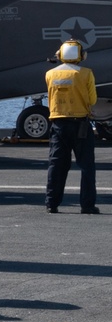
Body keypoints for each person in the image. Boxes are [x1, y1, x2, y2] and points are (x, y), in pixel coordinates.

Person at [45, 39, 99, 214]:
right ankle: (87, 205)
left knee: (57, 165)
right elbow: (93, 100)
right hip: (80, 125)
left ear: (60, 55)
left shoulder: (50, 74)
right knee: (86, 166)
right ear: (81, 56)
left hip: (58, 124)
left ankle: (51, 203)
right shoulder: (86, 73)